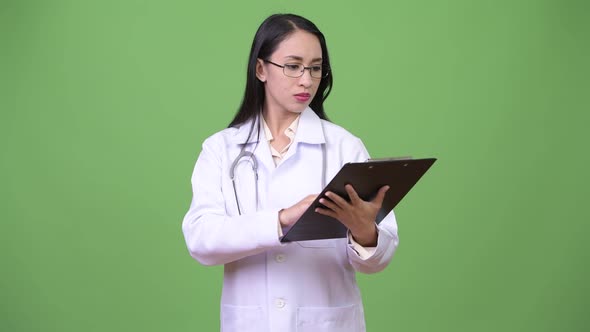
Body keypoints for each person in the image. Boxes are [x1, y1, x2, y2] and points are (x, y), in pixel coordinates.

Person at [182, 13, 399, 332]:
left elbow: (379, 258)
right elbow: (201, 240)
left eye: (315, 68)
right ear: (261, 69)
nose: (307, 80)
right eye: (293, 66)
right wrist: (281, 219)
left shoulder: (344, 146)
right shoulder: (221, 149)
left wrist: (364, 232)